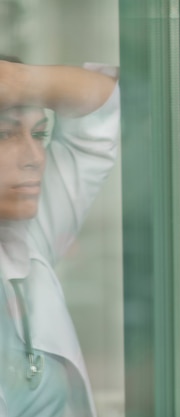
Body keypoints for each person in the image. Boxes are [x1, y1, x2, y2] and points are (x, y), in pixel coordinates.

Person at [0, 56, 119, 416]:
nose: (35, 157)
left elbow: (102, 109)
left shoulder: (27, 235)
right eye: (5, 134)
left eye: (40, 134)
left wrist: (19, 80)